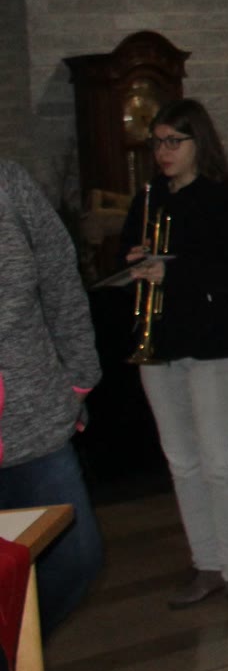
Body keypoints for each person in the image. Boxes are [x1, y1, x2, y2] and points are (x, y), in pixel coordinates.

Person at [119, 100, 228, 609]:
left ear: (198, 143)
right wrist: (133, 260)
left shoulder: (223, 196)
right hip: (161, 344)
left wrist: (172, 270)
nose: (163, 152)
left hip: (211, 345)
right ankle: (206, 563)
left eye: (173, 142)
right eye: (157, 142)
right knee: (181, 462)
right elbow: (127, 252)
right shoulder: (148, 198)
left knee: (220, 461)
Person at [0, 159, 103, 635]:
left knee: (76, 559)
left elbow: (60, 277)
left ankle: (13, 659)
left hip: (35, 417)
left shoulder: (9, 182)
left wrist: (78, 378)